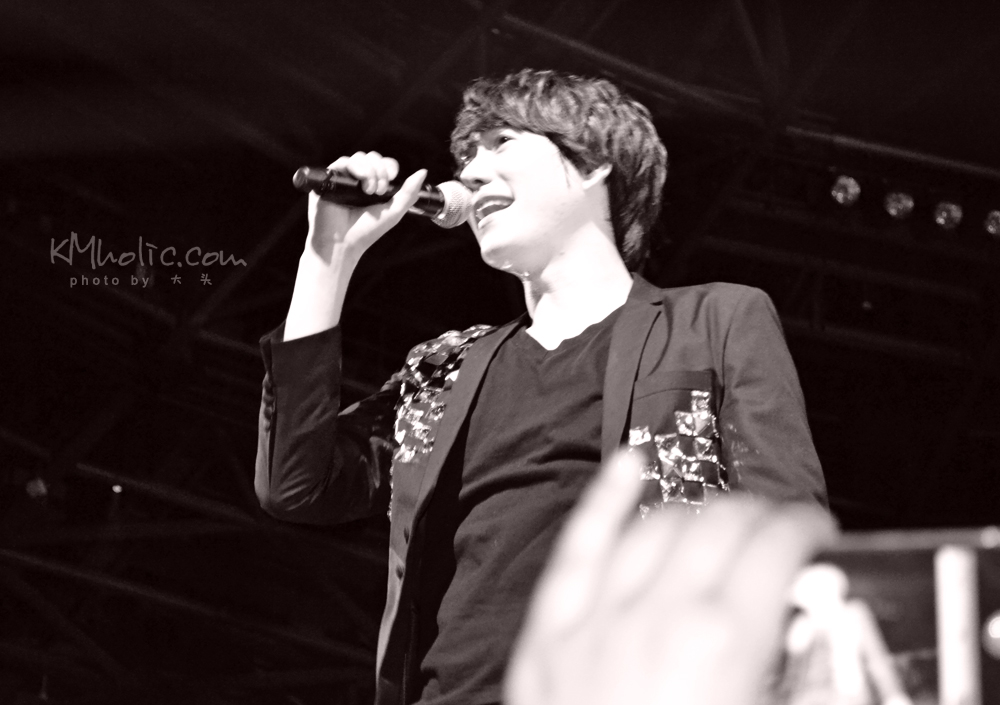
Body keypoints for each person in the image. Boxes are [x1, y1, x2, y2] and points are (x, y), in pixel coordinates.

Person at [255, 68, 828, 705]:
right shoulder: (444, 368)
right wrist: (326, 259)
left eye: (501, 143)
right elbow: (296, 485)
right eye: (467, 156)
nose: (471, 172)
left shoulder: (713, 322)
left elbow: (788, 536)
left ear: (593, 164)